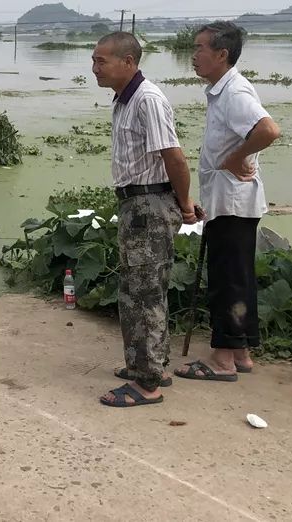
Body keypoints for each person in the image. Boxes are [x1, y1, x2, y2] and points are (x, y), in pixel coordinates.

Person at [91, 31, 198, 408]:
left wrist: (185, 205)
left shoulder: (148, 100)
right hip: (135, 204)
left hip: (148, 205)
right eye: (94, 60)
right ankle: (147, 366)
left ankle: (148, 382)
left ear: (129, 62)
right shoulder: (125, 100)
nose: (95, 68)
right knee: (136, 289)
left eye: (102, 61)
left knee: (146, 292)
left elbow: (174, 157)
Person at [175, 22, 280, 382]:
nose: (194, 55)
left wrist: (237, 158)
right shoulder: (223, 91)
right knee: (238, 278)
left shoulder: (234, 92)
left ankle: (222, 360)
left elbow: (268, 130)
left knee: (226, 281)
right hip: (229, 201)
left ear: (222, 54)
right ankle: (241, 352)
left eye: (201, 48)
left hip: (233, 202)